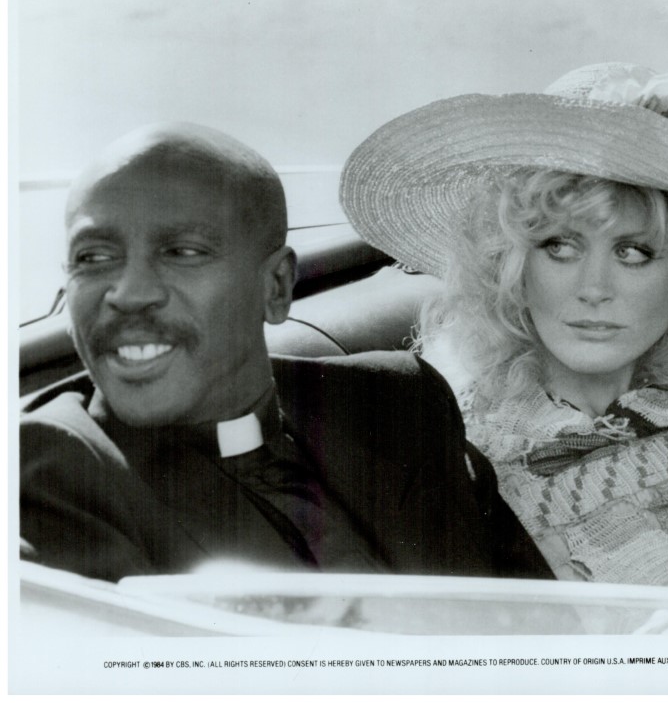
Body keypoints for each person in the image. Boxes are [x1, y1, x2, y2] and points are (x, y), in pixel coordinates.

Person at [340, 62, 668, 622]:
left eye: (634, 252)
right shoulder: (458, 451)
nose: (594, 289)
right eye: (560, 247)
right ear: (512, 263)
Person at [20, 122, 551, 583]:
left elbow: (547, 629)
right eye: (92, 257)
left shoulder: (399, 402)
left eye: (182, 252)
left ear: (276, 287)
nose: (128, 293)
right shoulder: (51, 470)